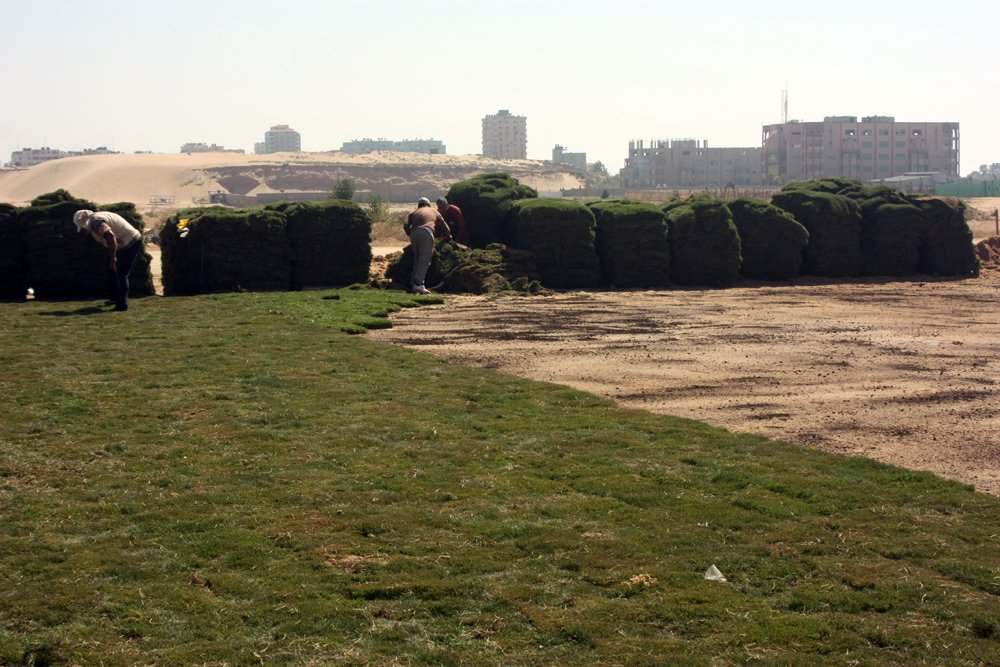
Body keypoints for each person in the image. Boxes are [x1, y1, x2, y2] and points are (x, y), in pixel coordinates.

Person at [73, 209, 143, 311]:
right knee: (111, 269)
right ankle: (114, 298)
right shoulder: (97, 216)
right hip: (125, 241)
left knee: (121, 273)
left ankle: (121, 305)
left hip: (130, 242)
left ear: (84, 222)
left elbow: (110, 236)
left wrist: (113, 258)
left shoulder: (96, 222)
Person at [403, 197, 450, 294]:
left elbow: (405, 224)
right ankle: (419, 284)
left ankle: (413, 284)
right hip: (426, 232)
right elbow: (444, 224)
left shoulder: (414, 212)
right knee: (425, 259)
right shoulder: (433, 210)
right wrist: (448, 236)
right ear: (428, 204)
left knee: (417, 258)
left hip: (414, 233)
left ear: (418, 205)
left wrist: (410, 233)